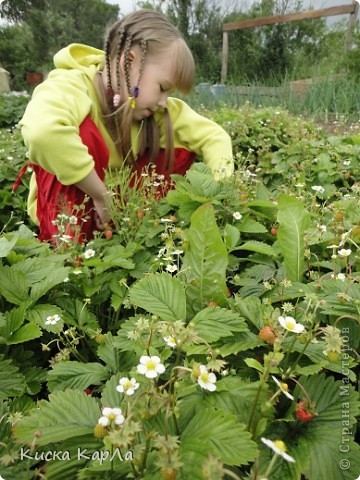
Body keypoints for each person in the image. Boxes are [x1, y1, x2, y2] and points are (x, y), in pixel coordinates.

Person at [16, 9, 234, 243]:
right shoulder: (71, 85)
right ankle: (67, 249)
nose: (164, 102)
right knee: (81, 131)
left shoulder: (158, 110)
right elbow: (43, 133)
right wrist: (101, 196)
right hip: (72, 211)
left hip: (116, 209)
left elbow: (214, 137)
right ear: (128, 62)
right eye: (162, 88)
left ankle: (147, 230)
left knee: (178, 140)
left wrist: (218, 198)